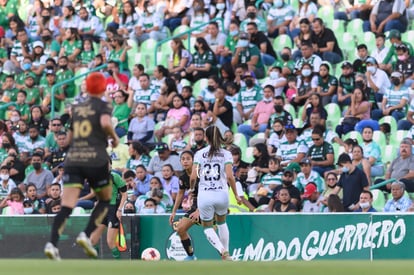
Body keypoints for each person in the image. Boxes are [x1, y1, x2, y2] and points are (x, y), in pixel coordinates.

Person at [44, 72, 120, 260]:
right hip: (95, 159)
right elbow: (104, 122)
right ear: (103, 88)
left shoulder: (76, 108)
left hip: (74, 159)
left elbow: (69, 139)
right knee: (104, 200)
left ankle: (52, 244)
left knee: (66, 206)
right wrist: (114, 137)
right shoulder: (103, 105)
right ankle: (85, 235)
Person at [190, 126, 241, 260]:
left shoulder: (199, 154)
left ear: (206, 138)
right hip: (222, 194)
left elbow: (193, 177)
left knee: (207, 227)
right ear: (219, 137)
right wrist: (236, 194)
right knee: (222, 222)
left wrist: (191, 188)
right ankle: (227, 253)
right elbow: (230, 176)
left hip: (205, 194)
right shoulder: (226, 154)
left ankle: (221, 250)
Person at [90, 163, 128, 259]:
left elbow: (124, 194)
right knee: (92, 240)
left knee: (110, 242)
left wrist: (119, 209)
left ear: (110, 165)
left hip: (112, 209)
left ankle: (119, 265)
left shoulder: (114, 177)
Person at [169, 151, 199, 260]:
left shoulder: (202, 173)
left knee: (212, 230)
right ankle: (191, 256)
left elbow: (208, 192)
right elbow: (180, 194)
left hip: (208, 205)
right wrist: (174, 211)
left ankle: (224, 253)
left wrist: (200, 210)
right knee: (180, 229)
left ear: (193, 160)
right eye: (183, 159)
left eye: (188, 159)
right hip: (195, 206)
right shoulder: (182, 178)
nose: (185, 161)